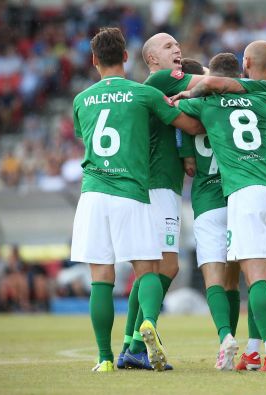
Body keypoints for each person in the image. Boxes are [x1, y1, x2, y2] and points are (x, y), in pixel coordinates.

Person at [71, 27, 203, 373]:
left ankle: (103, 358)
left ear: (94, 59)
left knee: (101, 276)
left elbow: (84, 137)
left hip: (93, 193)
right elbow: (189, 126)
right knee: (147, 268)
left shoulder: (81, 100)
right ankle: (145, 328)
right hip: (132, 191)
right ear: (128, 57)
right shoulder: (143, 94)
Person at [174, 41, 266, 370]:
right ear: (241, 69)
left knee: (255, 277)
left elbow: (171, 111)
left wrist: (182, 94)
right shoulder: (262, 96)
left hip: (242, 195)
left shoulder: (206, 104)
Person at [120, 33, 209, 370]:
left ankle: (131, 345)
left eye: (178, 45)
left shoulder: (163, 92)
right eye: (169, 46)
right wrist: (249, 82)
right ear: (152, 60)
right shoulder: (159, 80)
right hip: (158, 188)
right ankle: (144, 335)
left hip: (154, 186)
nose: (178, 50)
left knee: (147, 272)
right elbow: (210, 81)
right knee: (167, 266)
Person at [177, 54, 240, 371]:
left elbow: (189, 166)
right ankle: (259, 346)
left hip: (206, 201)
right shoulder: (233, 103)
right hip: (237, 195)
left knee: (213, 276)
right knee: (238, 278)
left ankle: (224, 338)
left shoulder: (191, 111)